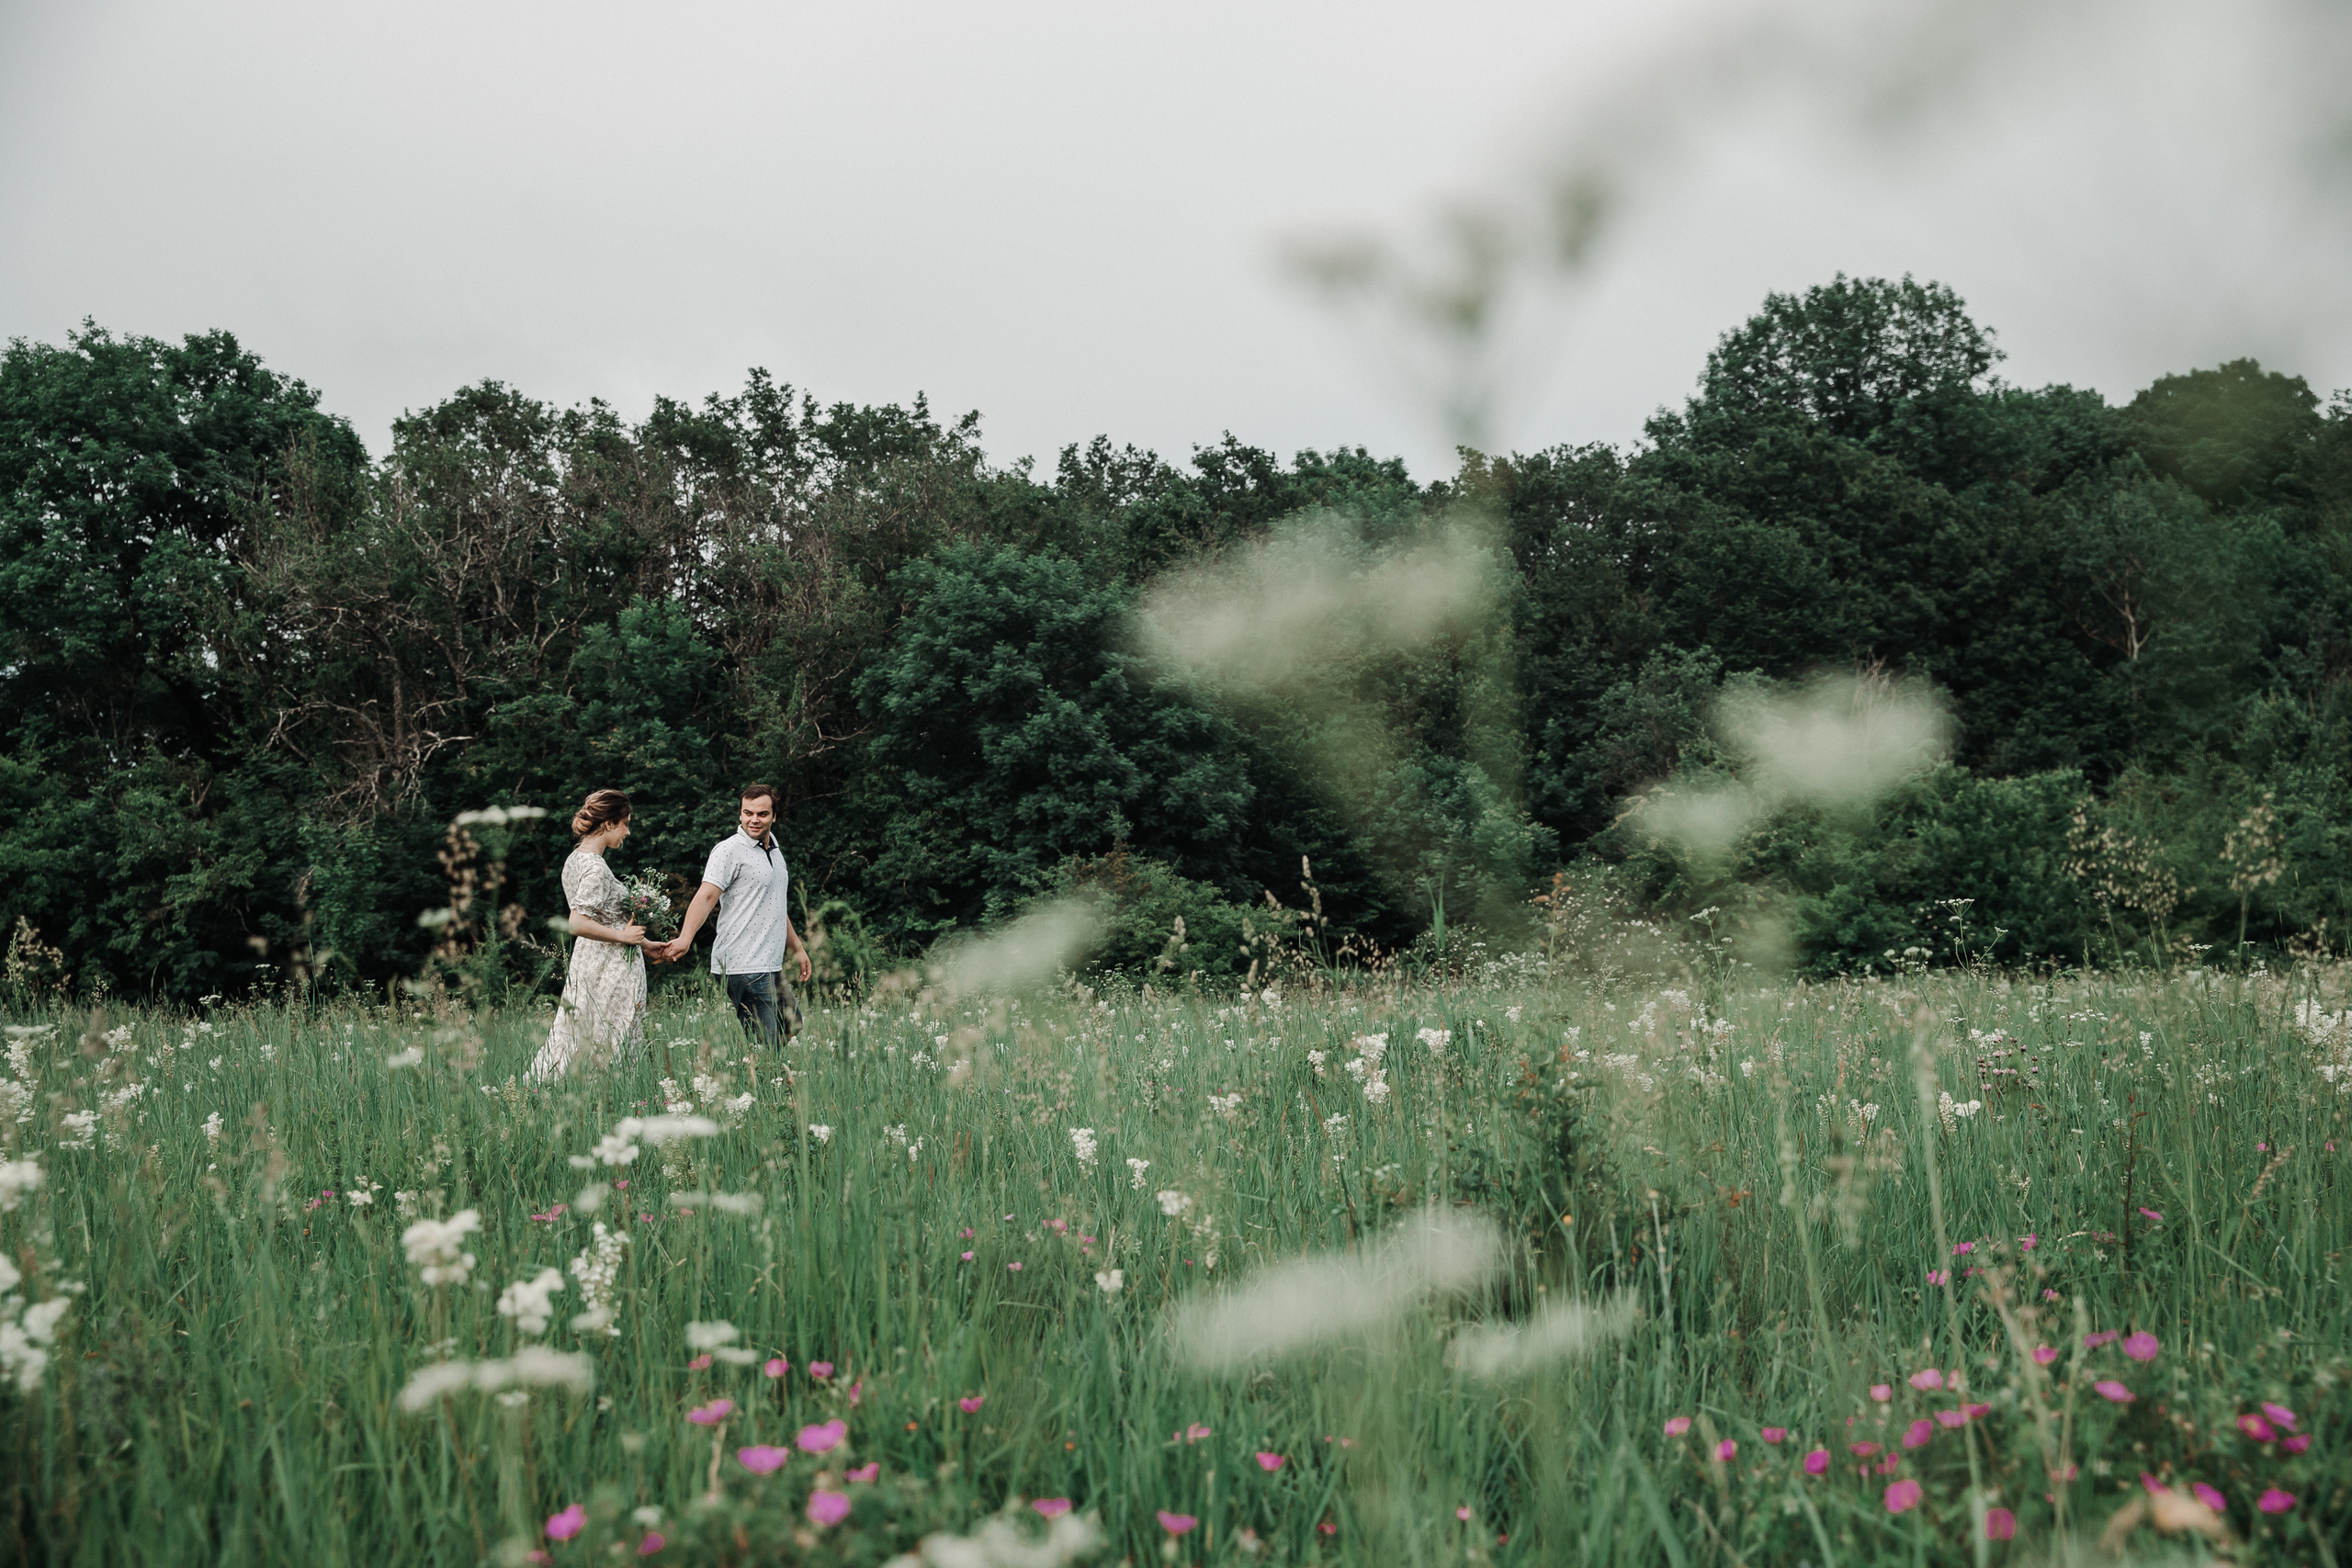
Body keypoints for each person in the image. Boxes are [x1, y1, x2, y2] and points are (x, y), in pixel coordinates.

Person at [652, 783, 810, 1044]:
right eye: (748, 813)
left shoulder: (775, 851)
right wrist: (685, 938)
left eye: (762, 814)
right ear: (740, 814)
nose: (754, 820)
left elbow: (775, 906)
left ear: (774, 816)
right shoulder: (729, 850)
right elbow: (706, 896)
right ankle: (763, 1079)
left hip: (769, 963)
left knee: (792, 1026)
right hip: (743, 963)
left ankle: (765, 1077)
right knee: (766, 1042)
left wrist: (797, 947)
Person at [528, 789, 650, 1080]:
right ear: (609, 824)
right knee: (610, 1032)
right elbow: (577, 923)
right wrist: (624, 939)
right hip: (608, 967)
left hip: (590, 960)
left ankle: (560, 1092)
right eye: (625, 823)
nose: (628, 832)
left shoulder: (576, 859)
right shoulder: (595, 867)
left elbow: (606, 918)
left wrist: (646, 943)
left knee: (582, 1030)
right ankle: (606, 1098)